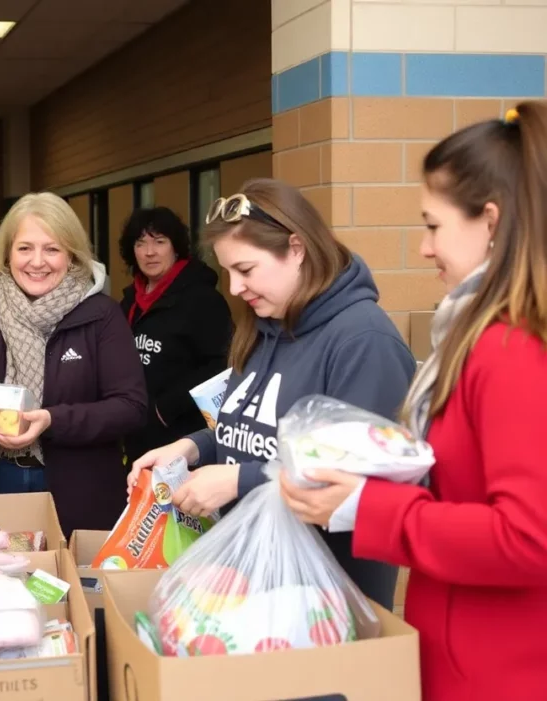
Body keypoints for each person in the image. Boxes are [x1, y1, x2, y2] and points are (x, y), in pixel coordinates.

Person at [279, 103, 547, 699]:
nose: (424, 248)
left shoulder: (509, 347)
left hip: (496, 668)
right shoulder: (489, 334)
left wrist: (368, 508)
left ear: (493, 223)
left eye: (433, 225)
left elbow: (529, 537)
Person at [128, 178, 415, 610]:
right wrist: (191, 448)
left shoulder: (364, 341)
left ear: (296, 249)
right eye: (227, 272)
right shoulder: (265, 327)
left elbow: (360, 482)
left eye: (245, 270)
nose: (235, 287)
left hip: (329, 602)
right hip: (252, 589)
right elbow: (253, 428)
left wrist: (237, 481)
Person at [0, 192, 147, 536]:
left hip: (79, 489)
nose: (37, 262)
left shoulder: (102, 315)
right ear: (7, 253)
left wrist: (53, 420)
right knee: (0, 583)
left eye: (51, 249)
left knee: (69, 585)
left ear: (72, 254)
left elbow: (131, 407)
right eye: (25, 248)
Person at [119, 206, 233, 461]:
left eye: (160, 242)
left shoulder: (203, 300)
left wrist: (166, 408)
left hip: (185, 438)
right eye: (141, 243)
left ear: (176, 246)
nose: (150, 252)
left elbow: (222, 363)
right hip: (137, 434)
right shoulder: (129, 302)